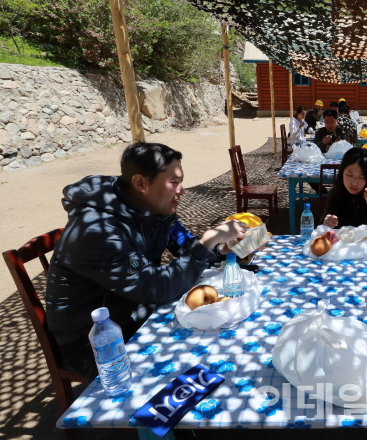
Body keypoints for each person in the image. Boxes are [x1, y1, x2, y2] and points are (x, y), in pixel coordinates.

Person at [45, 142, 248, 380]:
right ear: (141, 183)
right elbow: (155, 288)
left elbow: (183, 244)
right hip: (95, 341)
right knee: (204, 357)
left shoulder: (153, 208)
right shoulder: (97, 230)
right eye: (173, 183)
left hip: (135, 311)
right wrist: (207, 241)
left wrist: (217, 249)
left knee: (222, 335)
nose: (182, 191)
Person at [321, 147, 367, 242]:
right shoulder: (335, 193)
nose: (354, 182)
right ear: (342, 173)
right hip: (342, 252)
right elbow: (324, 229)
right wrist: (326, 222)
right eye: (349, 175)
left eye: (361, 177)